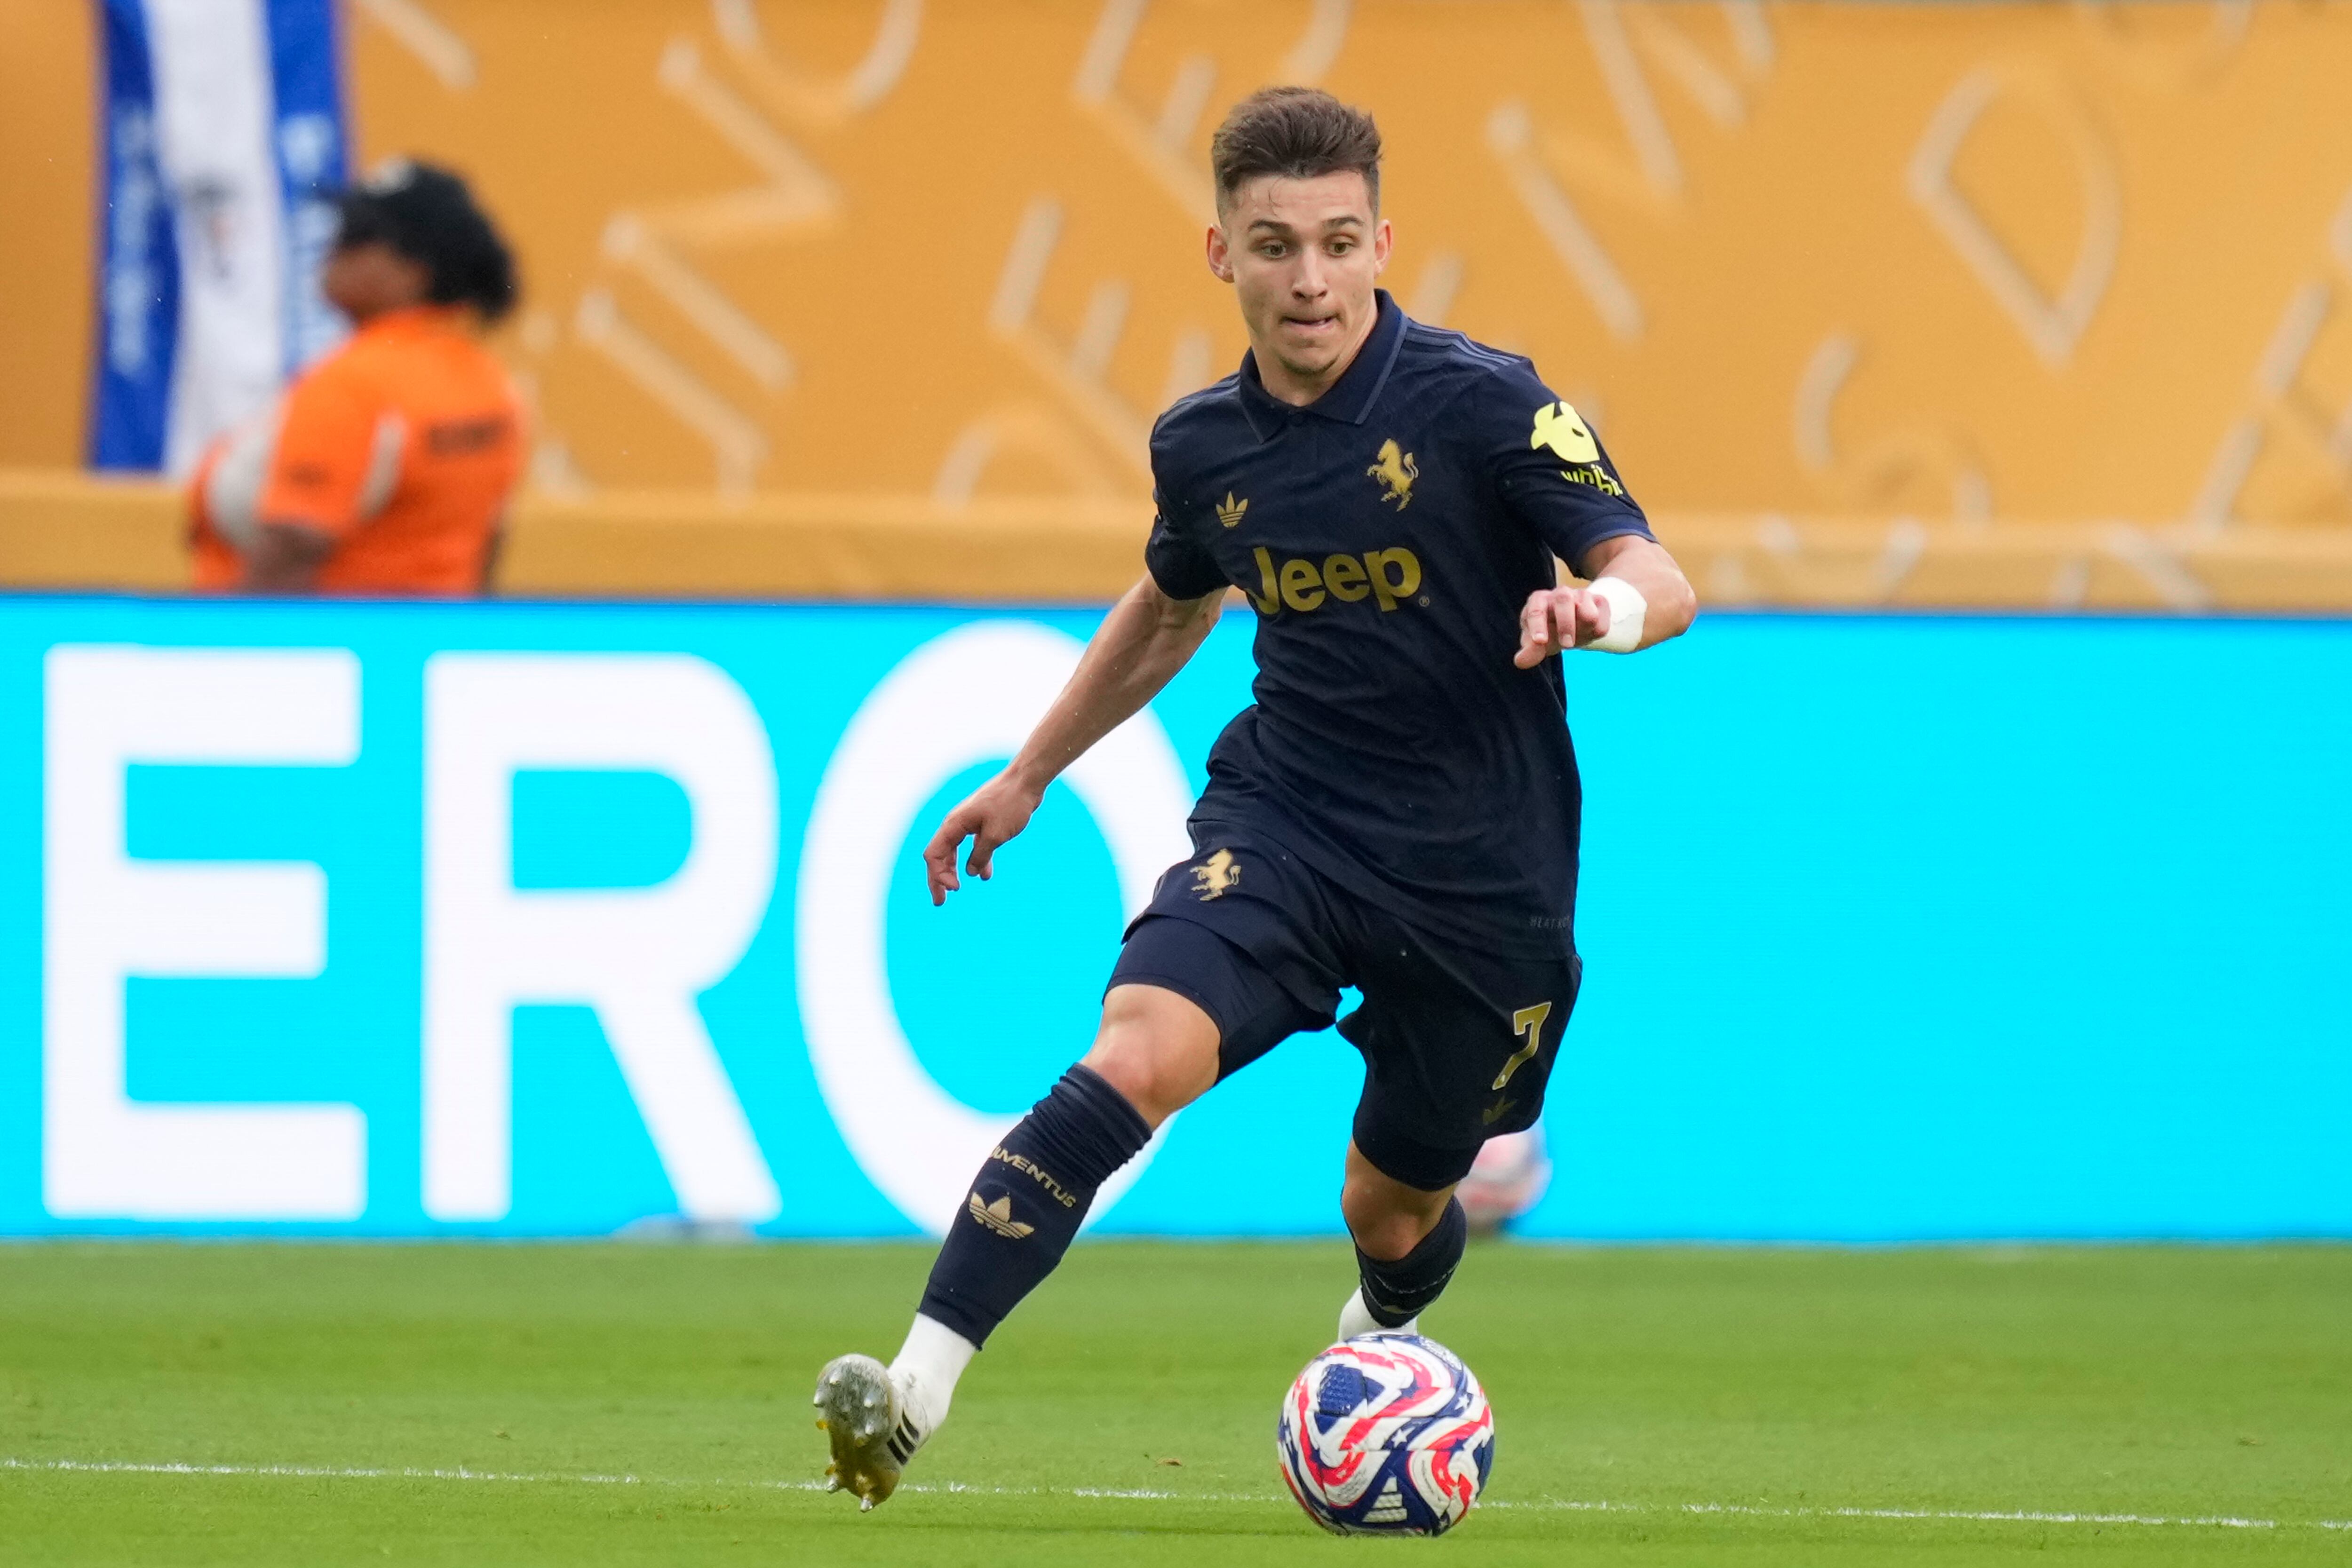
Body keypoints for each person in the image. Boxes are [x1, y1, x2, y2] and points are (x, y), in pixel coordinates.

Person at [813, 87, 1698, 1509]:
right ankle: (909, 1387)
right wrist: (1030, 771)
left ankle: (1376, 1344)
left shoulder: (1482, 402)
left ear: (1379, 242)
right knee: (1136, 1053)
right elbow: (1168, 609)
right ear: (1218, 251)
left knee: (1391, 1203)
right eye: (1273, 243)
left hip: (1482, 880)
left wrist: (1591, 612)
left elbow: (1662, 578)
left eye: (1337, 243)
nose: (1308, 278)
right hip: (1287, 825)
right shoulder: (1202, 445)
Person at [187, 158, 524, 594]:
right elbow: (485, 552)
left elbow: (292, 548)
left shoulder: (356, 386)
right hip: (430, 641)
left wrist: (233, 654)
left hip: (328, 648)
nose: (333, 249)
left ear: (416, 272)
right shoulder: (488, 381)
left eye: (356, 236)